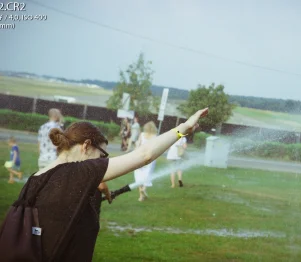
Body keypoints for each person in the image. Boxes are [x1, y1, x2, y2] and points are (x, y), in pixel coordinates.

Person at [1, 107, 208, 261]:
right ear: (86, 146)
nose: (101, 161)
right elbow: (145, 155)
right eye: (102, 155)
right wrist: (183, 129)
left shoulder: (38, 177)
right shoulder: (79, 172)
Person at [134, 121, 158, 201]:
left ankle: (141, 196)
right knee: (147, 174)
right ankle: (144, 188)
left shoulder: (142, 135)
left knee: (138, 174)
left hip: (141, 156)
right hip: (150, 157)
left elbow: (138, 145)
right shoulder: (154, 136)